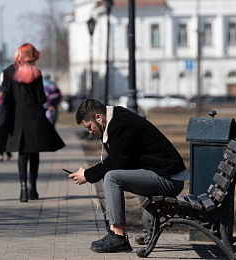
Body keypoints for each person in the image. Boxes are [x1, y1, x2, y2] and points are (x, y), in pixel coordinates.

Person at [68, 99, 189, 253]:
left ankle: (118, 237)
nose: (90, 132)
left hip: (170, 179)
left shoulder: (121, 123)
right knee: (109, 175)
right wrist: (92, 173)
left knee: (111, 177)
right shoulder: (116, 121)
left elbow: (118, 162)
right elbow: (121, 159)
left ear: (99, 117)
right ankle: (114, 233)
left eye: (89, 127)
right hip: (161, 174)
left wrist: (88, 174)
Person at [1, 43, 65, 202]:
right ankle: (33, 188)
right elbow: (41, 98)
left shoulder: (9, 72)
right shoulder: (36, 73)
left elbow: (5, 92)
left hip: (18, 118)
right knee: (34, 152)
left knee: (22, 152)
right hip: (35, 117)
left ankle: (22, 189)